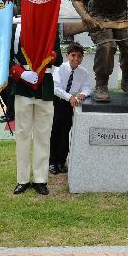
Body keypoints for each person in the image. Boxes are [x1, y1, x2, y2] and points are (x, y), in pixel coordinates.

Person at [9, 21, 62, 195]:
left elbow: (59, 59)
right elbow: (7, 56)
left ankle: (40, 179)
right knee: (22, 134)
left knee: (43, 135)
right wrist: (20, 72)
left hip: (45, 87)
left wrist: (49, 56)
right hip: (23, 85)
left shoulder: (49, 27)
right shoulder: (16, 28)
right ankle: (22, 179)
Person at [49, 42, 91, 174]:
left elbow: (87, 87)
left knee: (65, 132)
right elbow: (55, 88)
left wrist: (82, 94)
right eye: (73, 55)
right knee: (54, 132)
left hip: (69, 105)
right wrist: (70, 97)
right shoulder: (59, 68)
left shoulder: (83, 72)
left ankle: (61, 161)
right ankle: (52, 162)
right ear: (67, 55)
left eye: (79, 56)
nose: (76, 59)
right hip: (57, 102)